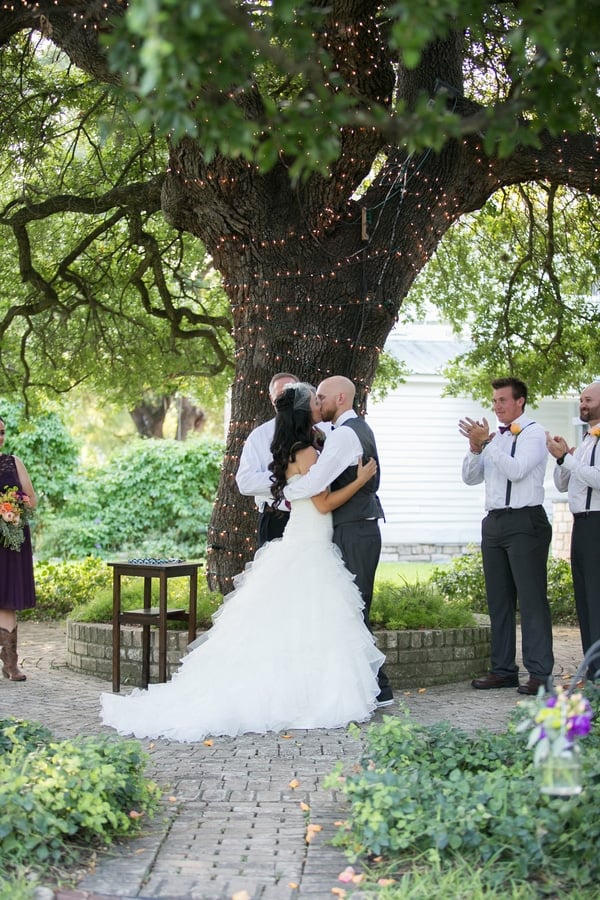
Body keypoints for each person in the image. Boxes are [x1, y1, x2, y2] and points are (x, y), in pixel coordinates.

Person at [100, 383, 385, 741]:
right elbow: (324, 503)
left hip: (302, 537)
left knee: (291, 622)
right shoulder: (309, 453)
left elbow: (302, 491)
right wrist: (359, 481)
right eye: (315, 400)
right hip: (311, 541)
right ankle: (303, 694)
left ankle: (289, 689)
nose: (319, 404)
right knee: (310, 619)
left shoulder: (296, 449)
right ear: (303, 411)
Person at [283, 375, 393, 707]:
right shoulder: (352, 430)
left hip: (354, 528)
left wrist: (286, 491)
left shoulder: (345, 435)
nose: (318, 402)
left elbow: (316, 481)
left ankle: (376, 688)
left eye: (322, 397)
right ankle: (370, 686)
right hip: (353, 526)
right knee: (349, 608)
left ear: (340, 399)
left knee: (353, 608)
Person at [459, 376, 554, 695]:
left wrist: (486, 444)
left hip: (526, 522)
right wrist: (475, 449)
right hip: (494, 523)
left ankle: (540, 673)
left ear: (520, 401)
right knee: (498, 601)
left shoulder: (534, 434)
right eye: (494, 401)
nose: (496, 406)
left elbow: (517, 470)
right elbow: (470, 478)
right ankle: (503, 669)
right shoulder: (493, 438)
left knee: (531, 600)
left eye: (502, 400)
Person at [546, 381, 600, 679]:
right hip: (581, 525)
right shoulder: (587, 441)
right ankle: (592, 669)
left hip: (598, 523)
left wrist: (568, 459)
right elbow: (563, 484)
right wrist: (562, 458)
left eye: (588, 399)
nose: (582, 404)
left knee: (596, 598)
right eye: (580, 400)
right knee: (585, 599)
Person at [235, 372, 299, 547]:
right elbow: (245, 482)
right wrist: (286, 476)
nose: (285, 398)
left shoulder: (319, 429)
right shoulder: (259, 436)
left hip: (312, 519)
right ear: (271, 398)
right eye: (280, 394)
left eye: (291, 391)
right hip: (275, 519)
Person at [0, 415, 37, 682]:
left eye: (1, 432)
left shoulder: (14, 462)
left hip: (10, 539)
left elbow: (31, 500)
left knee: (7, 600)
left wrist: (12, 506)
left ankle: (11, 665)